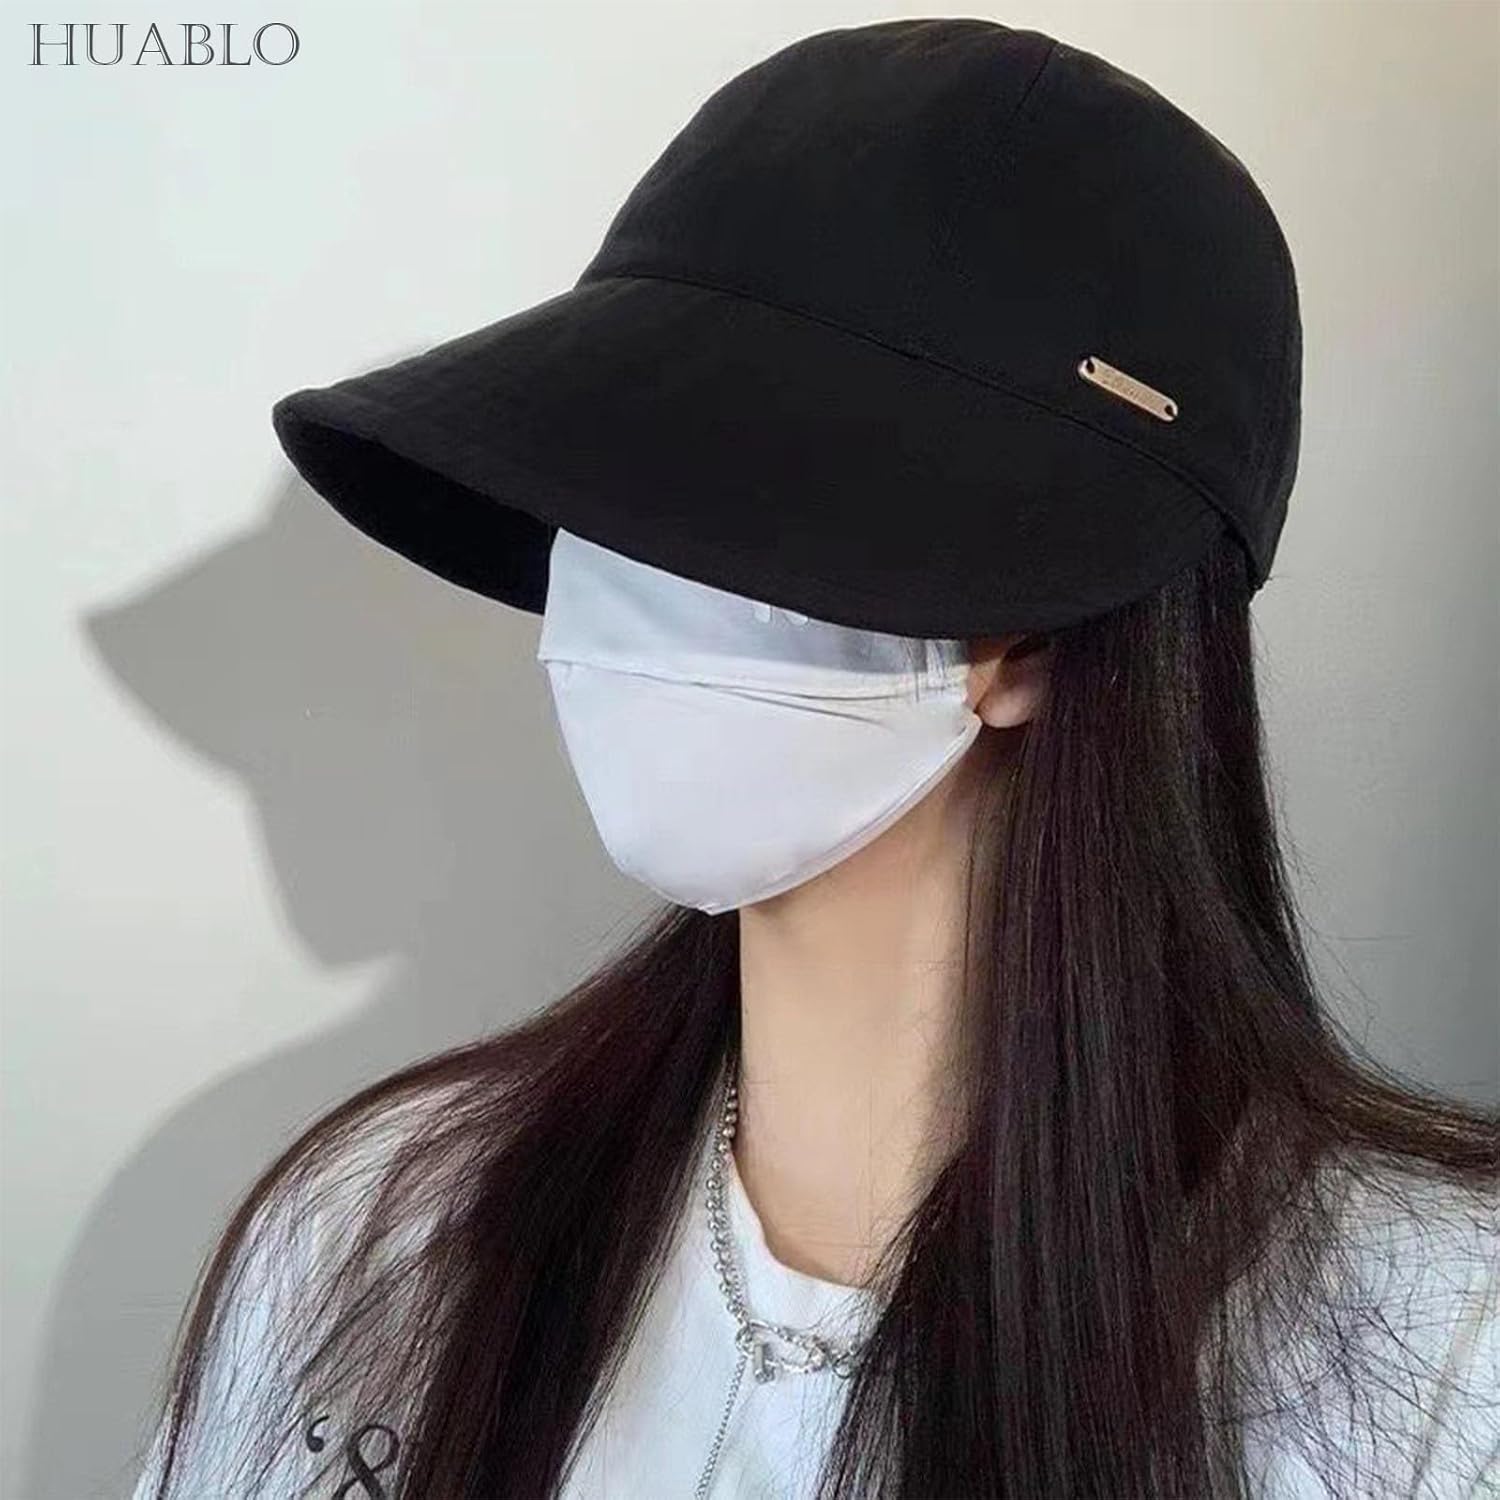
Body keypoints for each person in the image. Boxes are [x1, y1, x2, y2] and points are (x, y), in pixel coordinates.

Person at [131, 17, 1499, 1500]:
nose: (632, 591)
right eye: (615, 484)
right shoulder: (384, 1236)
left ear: (1038, 637)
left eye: (750, 502)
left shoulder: (1443, 1354)